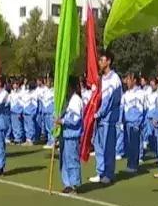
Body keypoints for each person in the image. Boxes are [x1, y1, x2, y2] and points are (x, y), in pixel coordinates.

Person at [90, 50, 122, 184]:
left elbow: (109, 100)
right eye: (99, 60)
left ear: (108, 61)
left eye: (102, 60)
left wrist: (99, 113)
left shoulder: (115, 79)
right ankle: (100, 172)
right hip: (99, 119)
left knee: (108, 147)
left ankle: (108, 174)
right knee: (98, 146)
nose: (99, 62)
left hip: (109, 119)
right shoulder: (100, 79)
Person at [57, 75, 84, 193]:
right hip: (65, 134)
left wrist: (62, 121)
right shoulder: (68, 100)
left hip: (72, 135)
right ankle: (67, 183)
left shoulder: (76, 100)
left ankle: (74, 184)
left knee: (72, 159)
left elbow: (75, 119)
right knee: (65, 159)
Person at [120, 72, 145, 173]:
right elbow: (122, 108)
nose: (127, 82)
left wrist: (140, 122)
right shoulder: (126, 94)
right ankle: (130, 164)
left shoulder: (141, 93)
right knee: (128, 145)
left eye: (129, 79)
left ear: (134, 80)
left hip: (136, 123)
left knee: (134, 144)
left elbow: (144, 109)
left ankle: (134, 165)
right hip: (127, 123)